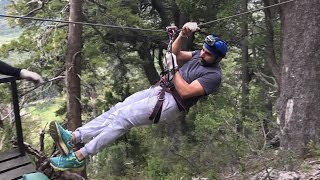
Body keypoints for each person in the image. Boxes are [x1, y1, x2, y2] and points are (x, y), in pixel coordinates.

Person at [49, 22, 228, 171]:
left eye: (208, 54)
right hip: (160, 90)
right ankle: (74, 137)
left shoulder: (214, 76)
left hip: (171, 102)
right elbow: (175, 53)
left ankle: (80, 156)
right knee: (117, 109)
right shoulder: (199, 56)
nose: (203, 54)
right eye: (204, 50)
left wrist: (173, 69)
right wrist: (182, 35)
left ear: (217, 58)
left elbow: (186, 92)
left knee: (123, 119)